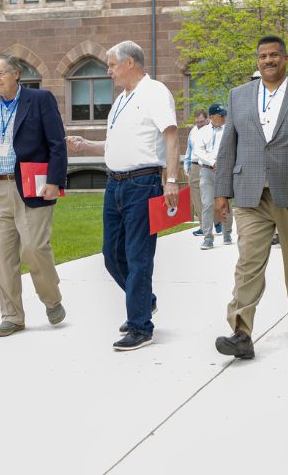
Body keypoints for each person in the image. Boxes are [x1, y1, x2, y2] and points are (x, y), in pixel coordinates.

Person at [213, 35, 288, 360]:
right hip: (250, 193)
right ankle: (241, 332)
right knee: (248, 263)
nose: (268, 61)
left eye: (274, 56)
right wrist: (221, 191)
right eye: (262, 56)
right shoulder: (238, 96)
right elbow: (228, 147)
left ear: (286, 58)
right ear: (257, 61)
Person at [65, 40, 179, 351]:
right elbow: (112, 143)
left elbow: (171, 137)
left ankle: (141, 327)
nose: (108, 70)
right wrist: (86, 144)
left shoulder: (155, 93)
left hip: (143, 184)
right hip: (115, 184)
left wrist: (171, 180)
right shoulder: (120, 101)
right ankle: (144, 300)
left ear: (130, 63)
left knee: (139, 256)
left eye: (112, 64)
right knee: (111, 255)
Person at [0, 53, 67, 337]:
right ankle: (12, 316)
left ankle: (52, 299)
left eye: (0, 73)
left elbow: (57, 144)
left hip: (31, 187)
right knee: (3, 257)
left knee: (34, 248)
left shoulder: (40, 100)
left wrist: (54, 180)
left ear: (16, 74)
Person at [193, 104, 233, 249]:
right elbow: (198, 151)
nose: (224, 118)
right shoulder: (202, 132)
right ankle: (208, 238)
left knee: (225, 203)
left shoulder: (228, 130)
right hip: (206, 171)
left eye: (224, 115)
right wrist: (212, 162)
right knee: (208, 204)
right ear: (211, 117)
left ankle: (227, 232)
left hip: (224, 172)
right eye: (220, 115)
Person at [184, 108, 209, 235]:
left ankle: (217, 222)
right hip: (194, 166)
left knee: (211, 196)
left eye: (201, 122)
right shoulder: (193, 131)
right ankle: (203, 226)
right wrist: (186, 166)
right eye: (197, 122)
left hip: (208, 166)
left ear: (207, 119)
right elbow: (189, 150)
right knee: (196, 197)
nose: (199, 124)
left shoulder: (213, 130)